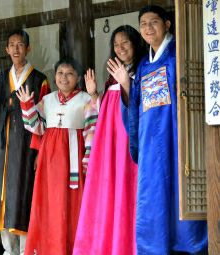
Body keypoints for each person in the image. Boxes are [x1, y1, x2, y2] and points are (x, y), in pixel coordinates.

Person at [109, 5, 208, 254]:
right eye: (143, 24)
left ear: (167, 25)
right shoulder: (143, 65)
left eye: (153, 22)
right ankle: (156, 246)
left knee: (181, 190)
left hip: (179, 137)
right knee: (154, 194)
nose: (148, 28)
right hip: (151, 142)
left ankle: (190, 245)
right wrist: (125, 85)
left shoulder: (180, 54)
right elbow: (137, 107)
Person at [0, 29, 50, 254]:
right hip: (0, 147)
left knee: (23, 194)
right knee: (1, 197)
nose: (16, 49)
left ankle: (27, 249)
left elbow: (45, 120)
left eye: (20, 44)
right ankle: (9, 249)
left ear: (28, 48)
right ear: (6, 50)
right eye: (11, 45)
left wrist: (40, 152)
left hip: (25, 148)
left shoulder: (40, 80)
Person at [73, 25, 145, 255]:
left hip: (129, 143)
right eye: (116, 44)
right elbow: (105, 112)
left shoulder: (143, 70)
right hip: (110, 145)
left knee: (129, 188)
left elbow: (141, 108)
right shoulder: (112, 76)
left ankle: (128, 244)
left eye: (125, 43)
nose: (120, 48)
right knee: (110, 191)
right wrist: (94, 94)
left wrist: (127, 83)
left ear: (135, 44)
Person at [16, 58, 98, 254]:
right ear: (55, 76)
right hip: (49, 160)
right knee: (50, 201)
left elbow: (92, 130)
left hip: (74, 159)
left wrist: (87, 161)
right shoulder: (48, 99)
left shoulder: (87, 99)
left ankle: (73, 247)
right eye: (60, 73)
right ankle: (51, 246)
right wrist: (27, 105)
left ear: (78, 77)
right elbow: (37, 127)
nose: (64, 77)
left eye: (69, 73)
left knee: (72, 203)